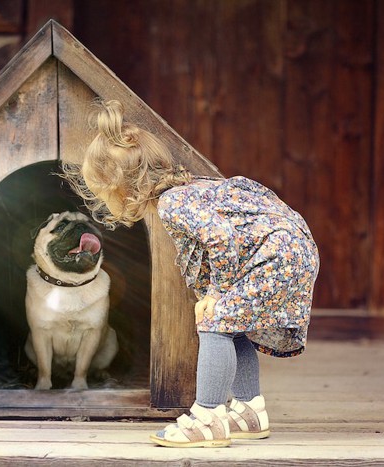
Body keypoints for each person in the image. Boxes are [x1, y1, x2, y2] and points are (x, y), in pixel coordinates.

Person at [62, 100, 319, 448]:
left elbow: (222, 237)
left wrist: (216, 293)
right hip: (293, 249)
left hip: (277, 256)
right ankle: (248, 410)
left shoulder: (173, 203)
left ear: (122, 187)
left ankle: (207, 417)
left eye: (104, 194)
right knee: (232, 324)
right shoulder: (193, 189)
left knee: (215, 321)